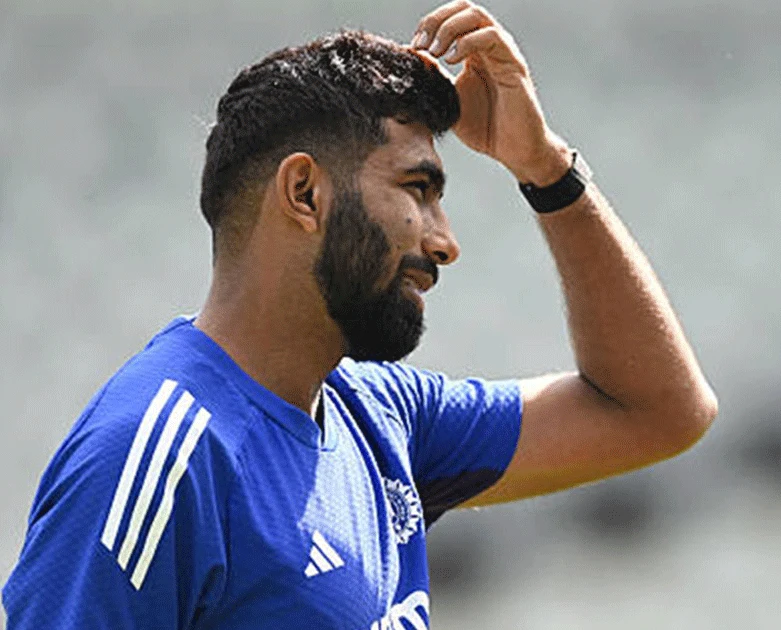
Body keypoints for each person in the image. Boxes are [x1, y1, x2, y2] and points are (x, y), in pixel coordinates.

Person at [2, 2, 718, 628]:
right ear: (305, 193)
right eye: (417, 189)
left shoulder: (379, 418)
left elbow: (658, 410)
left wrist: (546, 167)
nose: (445, 241)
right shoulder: (157, 459)